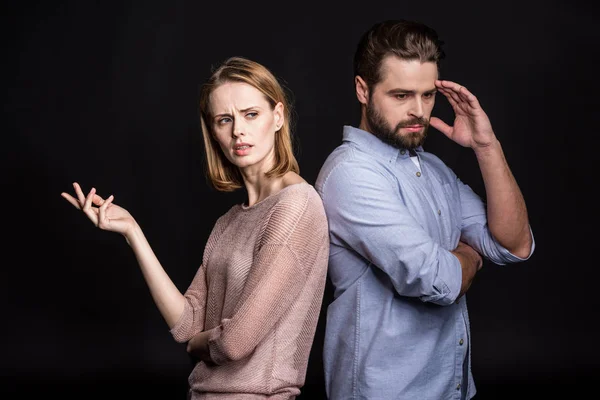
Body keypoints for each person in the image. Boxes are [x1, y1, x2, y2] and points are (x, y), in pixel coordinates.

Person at [61, 56, 330, 399]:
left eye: (251, 114)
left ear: (277, 116)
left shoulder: (296, 206)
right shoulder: (229, 221)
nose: (238, 131)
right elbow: (186, 324)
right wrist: (133, 232)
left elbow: (234, 344)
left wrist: (198, 345)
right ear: (213, 130)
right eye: (224, 119)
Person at [315, 20, 535, 400]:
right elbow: (438, 280)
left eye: (427, 95)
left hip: (452, 389)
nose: (418, 111)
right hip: (385, 392)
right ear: (362, 90)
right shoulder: (349, 173)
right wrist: (469, 255)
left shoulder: (433, 169)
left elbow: (513, 245)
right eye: (401, 95)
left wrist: (486, 146)